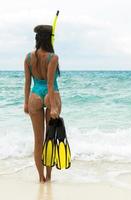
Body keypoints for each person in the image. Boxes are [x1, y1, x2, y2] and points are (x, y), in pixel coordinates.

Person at [24, 25, 61, 183]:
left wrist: (26, 103)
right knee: (49, 139)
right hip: (50, 96)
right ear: (49, 39)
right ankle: (49, 176)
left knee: (38, 140)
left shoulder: (28, 57)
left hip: (34, 96)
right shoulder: (52, 57)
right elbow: (51, 85)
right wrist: (53, 107)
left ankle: (41, 178)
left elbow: (27, 83)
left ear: (37, 39)